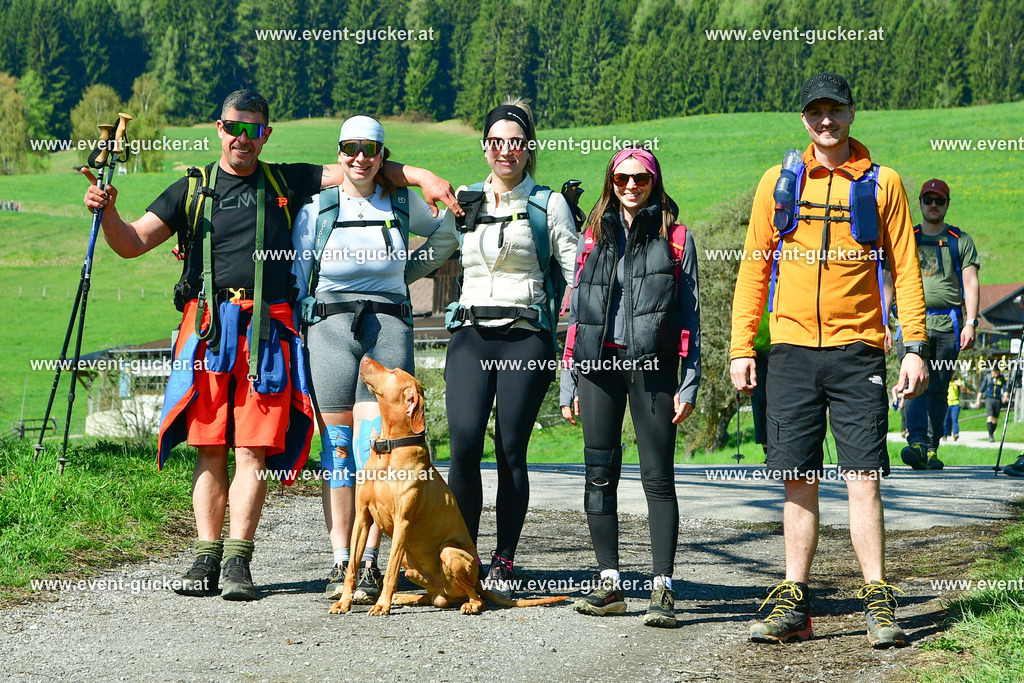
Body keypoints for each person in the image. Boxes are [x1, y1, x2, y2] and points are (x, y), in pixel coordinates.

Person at [82, 89, 460, 602]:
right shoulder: (189, 190)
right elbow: (129, 243)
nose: (243, 138)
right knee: (209, 447)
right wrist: (106, 212)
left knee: (253, 448)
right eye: (234, 128)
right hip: (209, 328)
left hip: (267, 333)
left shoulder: (288, 179)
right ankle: (205, 555)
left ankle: (239, 559)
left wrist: (417, 175)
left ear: (267, 134)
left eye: (254, 130)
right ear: (219, 128)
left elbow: (360, 169)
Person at [729, 73, 929, 648]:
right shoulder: (779, 182)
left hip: (858, 349)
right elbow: (753, 268)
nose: (826, 121)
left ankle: (878, 598)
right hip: (790, 349)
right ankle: (795, 598)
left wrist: (913, 344)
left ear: (852, 113)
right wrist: (743, 345)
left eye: (835, 110)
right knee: (797, 477)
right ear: (803, 119)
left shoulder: (882, 183)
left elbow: (905, 269)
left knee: (862, 476)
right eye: (816, 112)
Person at [291, 116, 457, 602]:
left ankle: (371, 565)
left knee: (380, 450)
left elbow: (448, 230)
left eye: (370, 149)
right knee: (339, 449)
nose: (359, 158)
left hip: (388, 325)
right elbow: (301, 273)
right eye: (350, 148)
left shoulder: (401, 201)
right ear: (338, 152)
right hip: (330, 326)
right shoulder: (318, 207)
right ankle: (342, 558)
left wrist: (410, 271)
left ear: (384, 156)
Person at [439, 99, 578, 598]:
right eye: (495, 141)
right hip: (471, 333)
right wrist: (379, 281)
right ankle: (463, 552)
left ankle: (505, 557)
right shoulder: (465, 198)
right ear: (484, 148)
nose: (505, 150)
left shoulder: (548, 204)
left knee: (510, 449)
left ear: (528, 149)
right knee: (463, 445)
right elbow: (432, 253)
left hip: (525, 335)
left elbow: (575, 271)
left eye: (514, 141)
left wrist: (579, 335)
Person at [560, 147, 701, 628]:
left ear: (654, 181)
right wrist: (568, 377)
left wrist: (690, 381)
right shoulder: (593, 236)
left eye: (641, 178)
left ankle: (662, 587)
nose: (631, 186)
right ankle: (610, 583)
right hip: (598, 365)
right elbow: (576, 310)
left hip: (654, 368)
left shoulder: (676, 237)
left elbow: (692, 318)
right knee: (599, 473)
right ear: (610, 182)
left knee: (657, 478)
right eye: (621, 178)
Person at [883, 179, 980, 470]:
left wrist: (971, 322)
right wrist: (882, 320)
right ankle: (916, 444)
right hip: (911, 324)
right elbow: (888, 280)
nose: (933, 205)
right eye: (928, 200)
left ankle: (932, 447)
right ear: (921, 203)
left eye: (939, 200)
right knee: (913, 383)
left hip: (949, 325)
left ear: (947, 204)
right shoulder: (905, 237)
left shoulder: (959, 240)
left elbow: (971, 282)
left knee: (938, 387)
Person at [976, 366, 1008, 442]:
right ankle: (990, 435)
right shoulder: (987, 378)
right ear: (992, 371)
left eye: (997, 373)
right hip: (989, 399)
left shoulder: (1001, 378)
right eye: (995, 373)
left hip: (997, 399)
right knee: (990, 416)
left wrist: (1005, 396)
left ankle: (992, 433)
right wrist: (978, 400)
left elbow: (1005, 388)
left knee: (995, 419)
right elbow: (981, 389)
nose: (996, 374)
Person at [943, 377, 964, 442]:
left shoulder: (957, 380)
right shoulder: (945, 380)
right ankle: (944, 435)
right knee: (945, 420)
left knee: (954, 420)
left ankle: (956, 434)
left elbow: (965, 390)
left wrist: (960, 385)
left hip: (955, 403)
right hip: (947, 403)